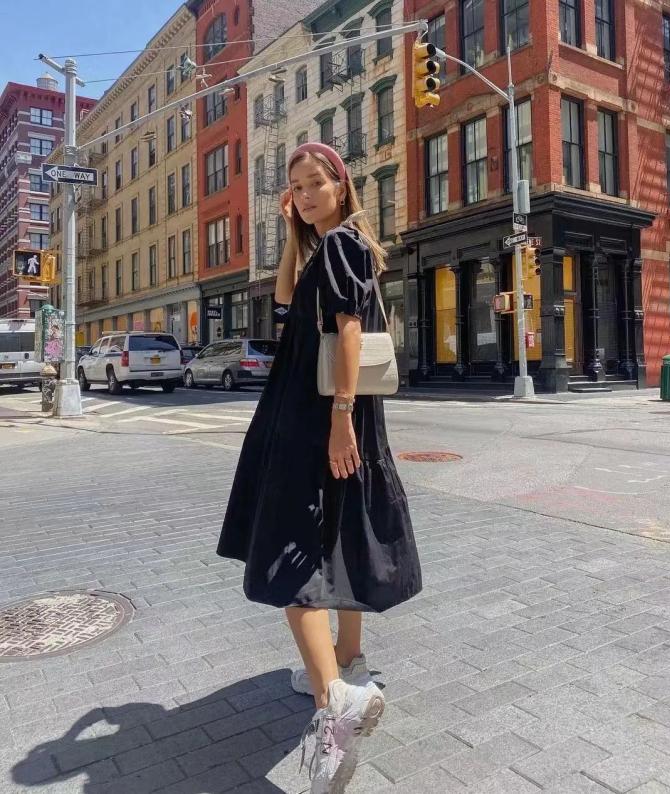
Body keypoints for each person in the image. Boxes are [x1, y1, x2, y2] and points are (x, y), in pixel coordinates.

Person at [217, 142, 422, 792]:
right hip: (330, 412)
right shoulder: (340, 245)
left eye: (315, 184)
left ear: (341, 184)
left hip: (314, 416)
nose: (304, 196)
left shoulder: (339, 245)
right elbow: (285, 303)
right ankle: (348, 661)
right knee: (337, 530)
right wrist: (289, 234)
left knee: (286, 552)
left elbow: (349, 329)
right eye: (296, 188)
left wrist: (338, 416)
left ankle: (334, 702)